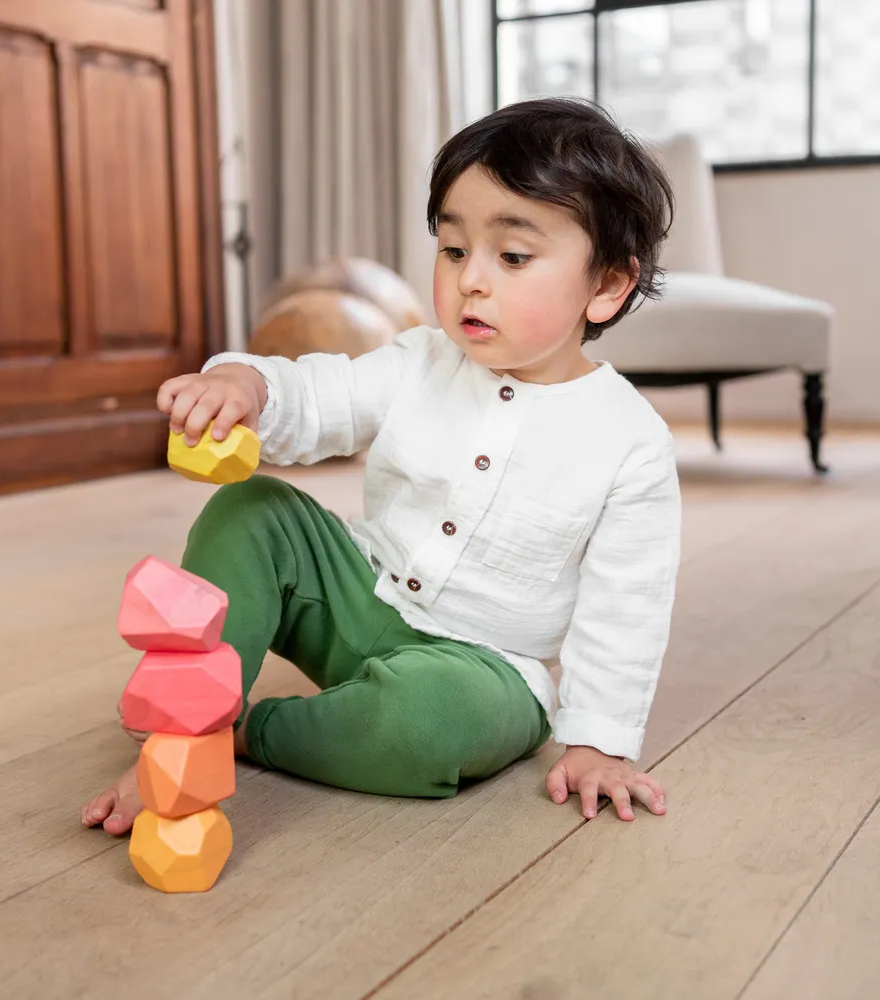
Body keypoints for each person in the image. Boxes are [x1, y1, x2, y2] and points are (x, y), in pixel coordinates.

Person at [81, 97, 680, 836]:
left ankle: (250, 732)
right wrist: (248, 386)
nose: (471, 280)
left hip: (482, 670)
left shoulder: (631, 440)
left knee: (426, 725)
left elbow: (629, 606)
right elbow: (321, 393)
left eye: (513, 257)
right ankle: (192, 715)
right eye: (454, 251)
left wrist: (598, 742)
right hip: (360, 592)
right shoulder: (419, 361)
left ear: (607, 286)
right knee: (255, 509)